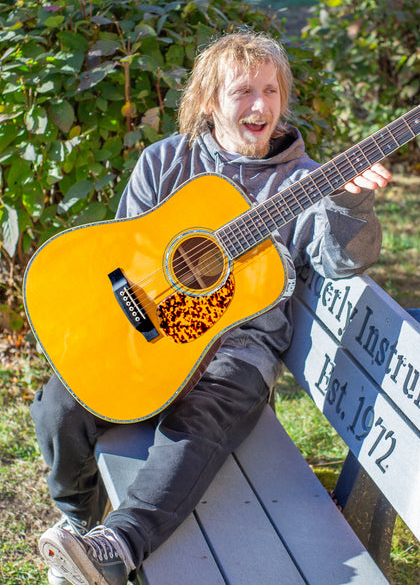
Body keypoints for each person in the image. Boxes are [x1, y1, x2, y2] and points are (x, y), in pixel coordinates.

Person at [32, 31, 391, 585]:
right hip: (149, 337)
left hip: (238, 351)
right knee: (59, 406)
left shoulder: (305, 181)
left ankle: (116, 547)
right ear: (208, 102)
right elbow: (122, 253)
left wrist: (350, 203)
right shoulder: (166, 162)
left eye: (271, 91)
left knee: (199, 423)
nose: (261, 105)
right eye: (243, 91)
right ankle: (80, 523)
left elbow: (341, 262)